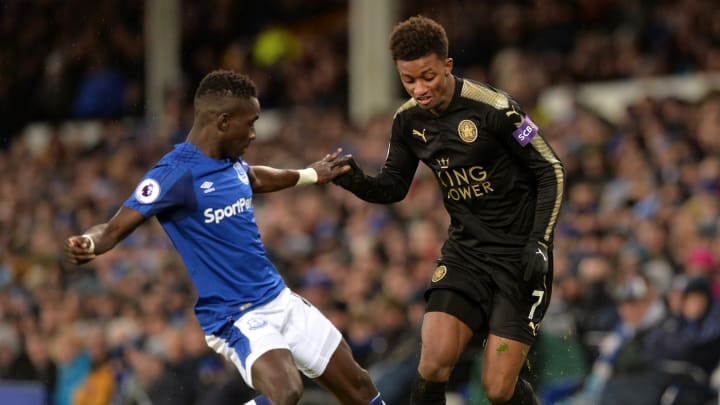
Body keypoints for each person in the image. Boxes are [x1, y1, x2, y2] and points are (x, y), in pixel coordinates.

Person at [65, 69, 385, 405]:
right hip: (235, 314)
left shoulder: (230, 163)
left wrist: (309, 174)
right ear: (222, 122)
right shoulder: (174, 174)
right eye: (250, 123)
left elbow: (256, 179)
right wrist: (90, 242)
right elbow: (113, 228)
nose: (254, 134)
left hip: (278, 298)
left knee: (360, 387)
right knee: (286, 392)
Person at [332, 15, 565, 405]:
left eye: (428, 77)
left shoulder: (498, 109)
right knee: (432, 363)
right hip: (465, 255)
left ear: (447, 66)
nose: (419, 89)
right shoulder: (407, 121)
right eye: (408, 80)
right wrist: (351, 177)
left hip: (519, 259)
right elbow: (392, 187)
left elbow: (551, 169)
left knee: (497, 389)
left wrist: (540, 242)